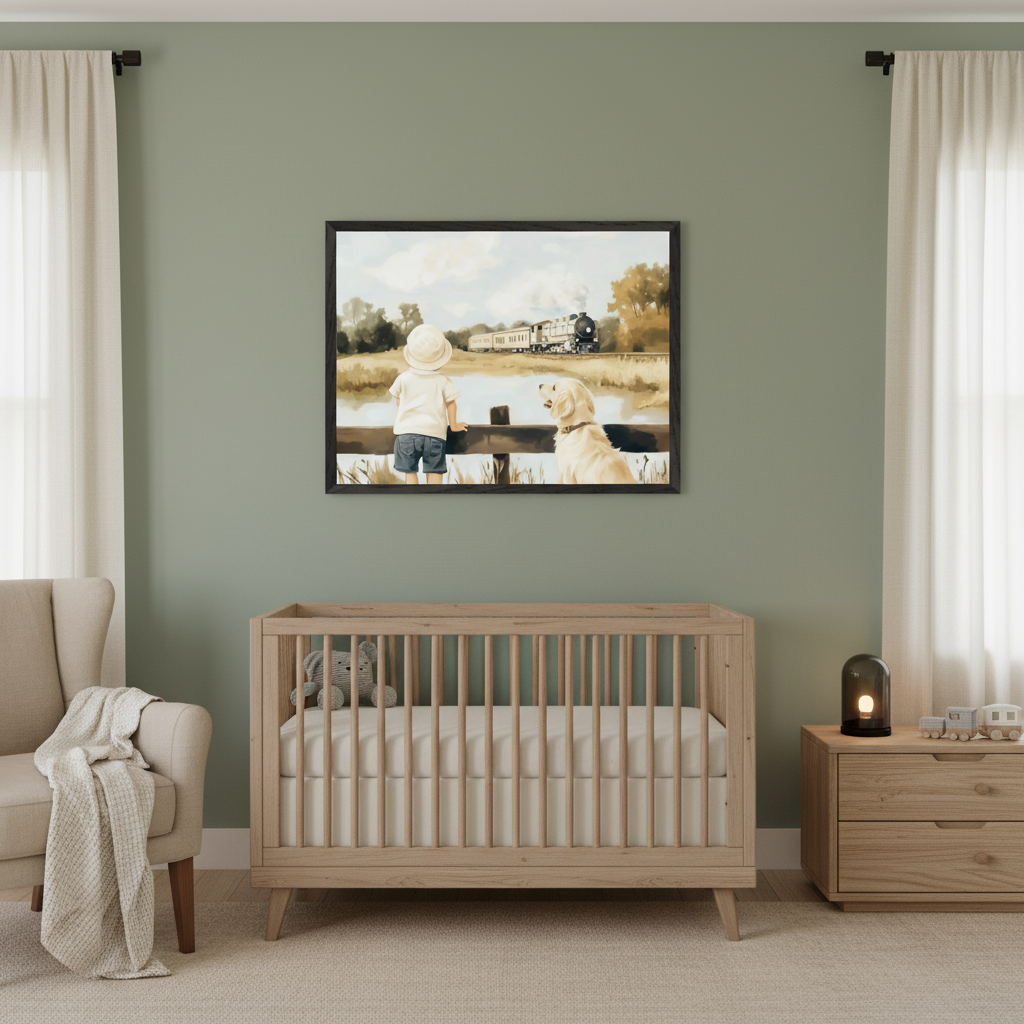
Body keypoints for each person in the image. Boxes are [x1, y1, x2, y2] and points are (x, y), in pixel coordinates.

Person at [389, 324, 467, 484]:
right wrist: (453, 425)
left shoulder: (403, 378)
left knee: (410, 474)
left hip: (407, 433)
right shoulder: (443, 381)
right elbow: (451, 404)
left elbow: (398, 399)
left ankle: (413, 506)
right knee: (435, 474)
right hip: (435, 435)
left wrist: (405, 412)